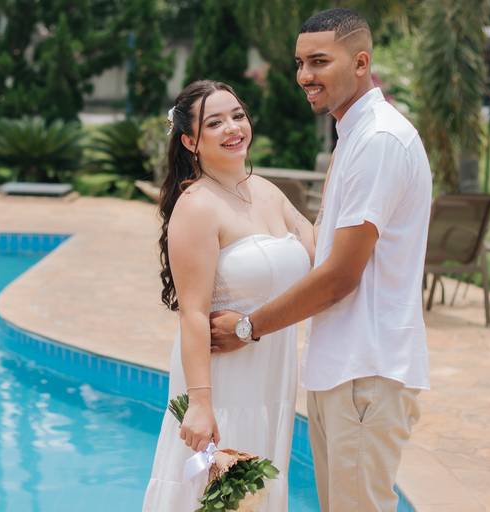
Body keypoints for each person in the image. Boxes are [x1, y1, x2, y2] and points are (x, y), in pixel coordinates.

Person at [210, 8, 432, 512]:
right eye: (299, 63)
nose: (304, 76)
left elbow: (339, 277)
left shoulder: (378, 141)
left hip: (366, 371)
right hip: (343, 370)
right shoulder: (354, 135)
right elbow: (324, 247)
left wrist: (248, 326)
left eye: (319, 61)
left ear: (361, 63)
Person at [142, 80, 315, 511]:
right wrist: (201, 403)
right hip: (222, 379)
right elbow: (193, 313)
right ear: (190, 141)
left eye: (237, 116)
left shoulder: (268, 191)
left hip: (271, 370)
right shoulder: (197, 206)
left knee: (259, 492)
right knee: (216, 495)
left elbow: (320, 253)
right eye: (215, 123)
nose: (233, 128)